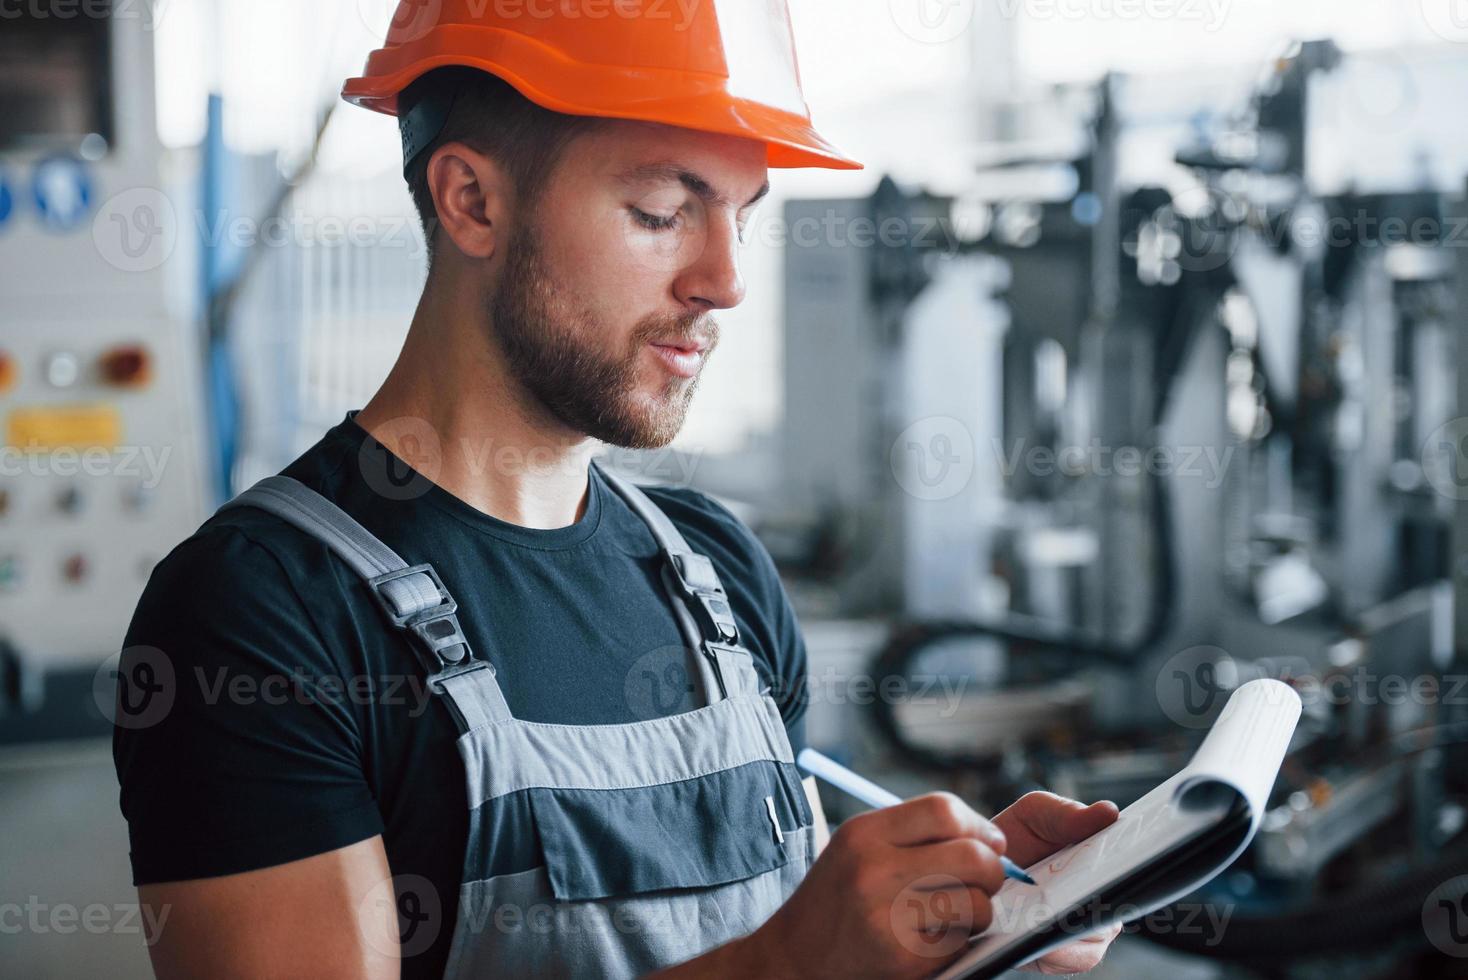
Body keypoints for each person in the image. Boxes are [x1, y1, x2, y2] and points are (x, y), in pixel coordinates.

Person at [113, 3, 1122, 977]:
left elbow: (796, 930)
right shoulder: (263, 614)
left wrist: (975, 919)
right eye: (662, 211)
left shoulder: (716, 572)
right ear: (472, 200)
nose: (725, 279)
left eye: (739, 216)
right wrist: (781, 965)